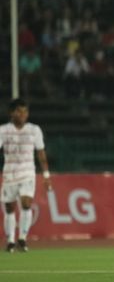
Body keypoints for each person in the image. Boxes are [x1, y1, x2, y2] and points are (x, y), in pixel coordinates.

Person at [1, 99, 52, 252]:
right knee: (9, 209)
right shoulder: (3, 130)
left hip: (28, 173)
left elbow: (41, 153)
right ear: (11, 113)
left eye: (25, 111)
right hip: (9, 174)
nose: (23, 115)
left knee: (26, 203)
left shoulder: (34, 130)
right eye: (19, 111)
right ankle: (10, 240)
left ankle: (22, 238)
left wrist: (46, 175)